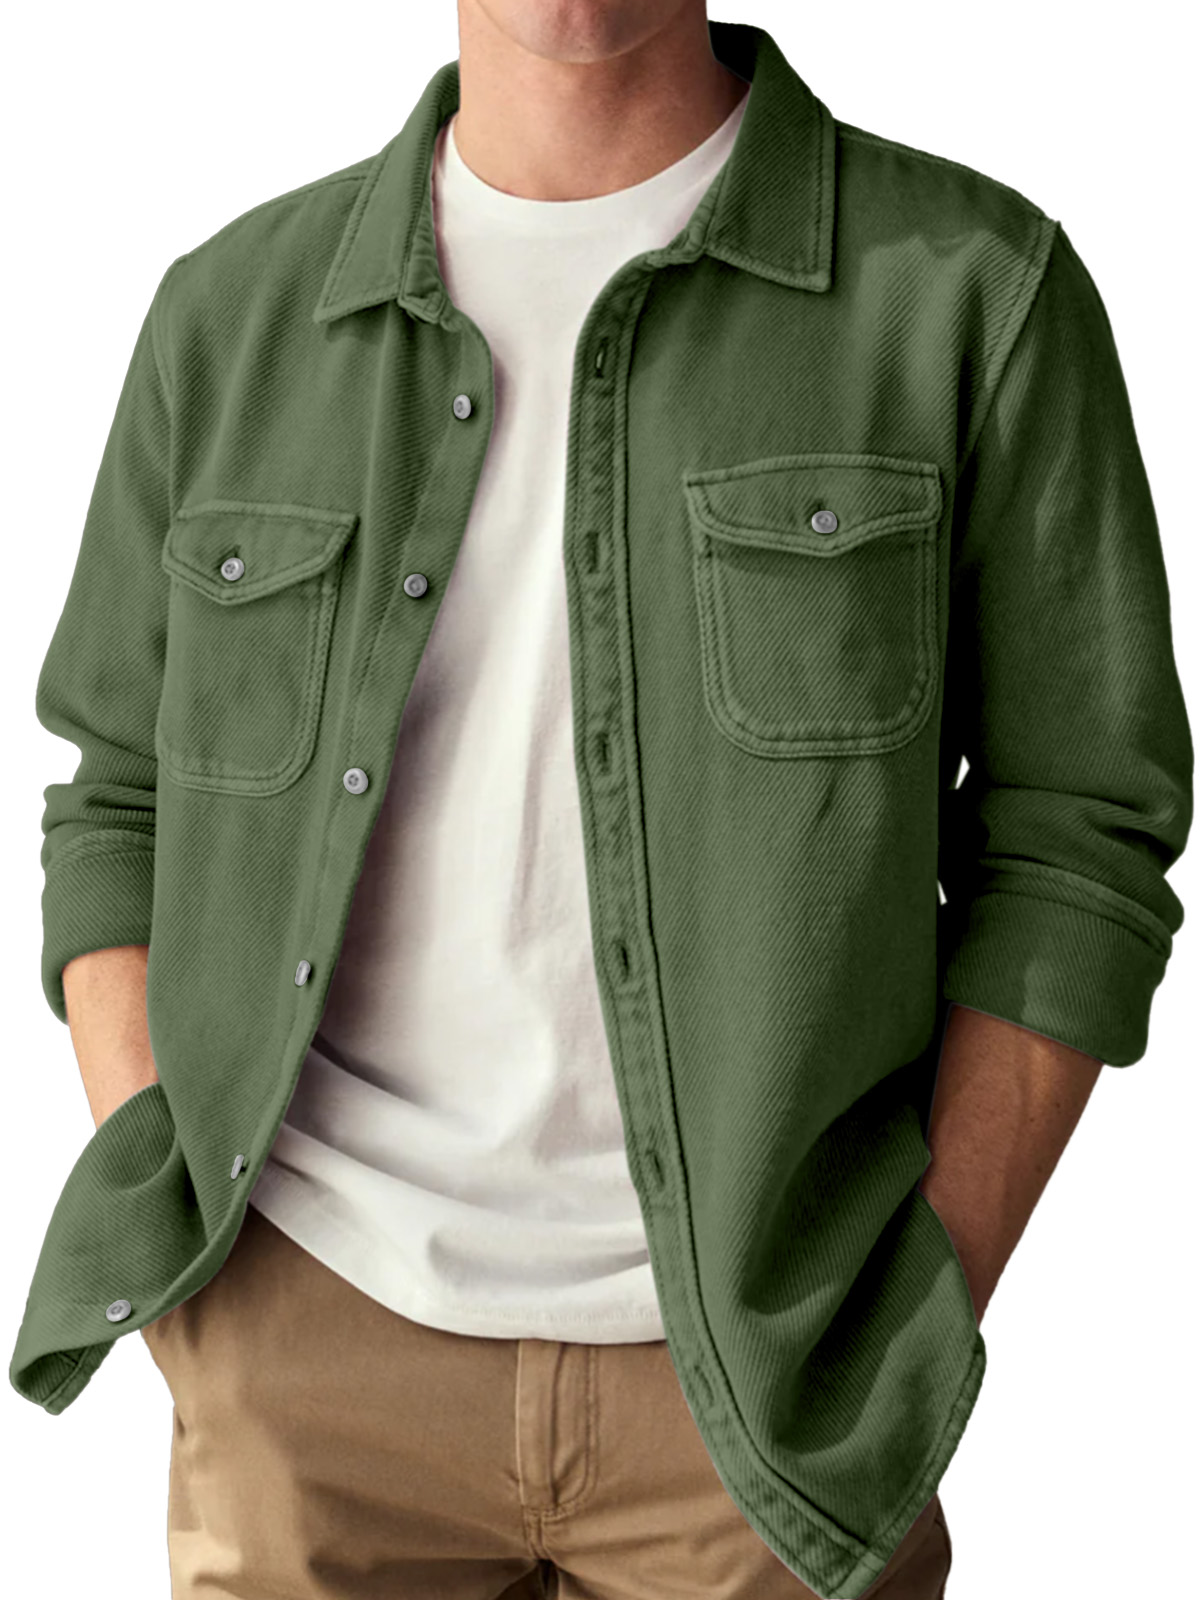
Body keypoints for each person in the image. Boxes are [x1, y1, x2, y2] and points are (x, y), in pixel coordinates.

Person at [10, 4, 1192, 1598]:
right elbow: (120, 800)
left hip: (776, 1398)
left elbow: (1080, 834)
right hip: (309, 1362)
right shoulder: (233, 316)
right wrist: (200, 1270)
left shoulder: (971, 289)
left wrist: (923, 1290)